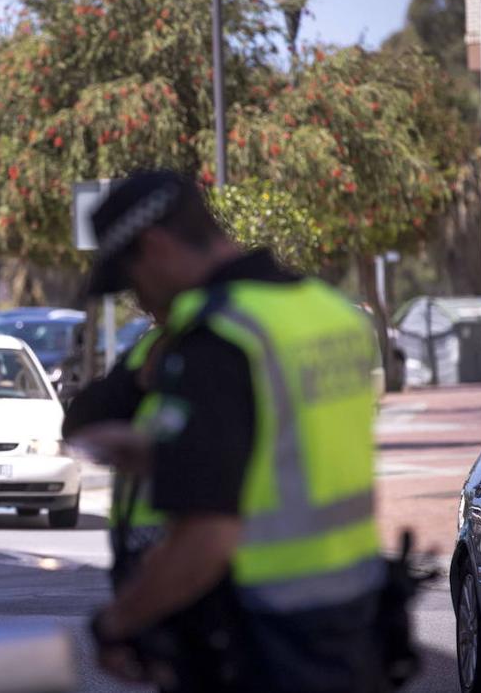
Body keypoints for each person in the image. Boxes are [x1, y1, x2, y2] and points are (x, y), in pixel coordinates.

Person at [70, 169, 387, 692]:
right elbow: (287, 452)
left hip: (261, 643)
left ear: (153, 245)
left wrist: (116, 623)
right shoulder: (326, 312)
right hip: (353, 626)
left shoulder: (220, 338)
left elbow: (208, 540)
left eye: (131, 277)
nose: (139, 295)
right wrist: (164, 453)